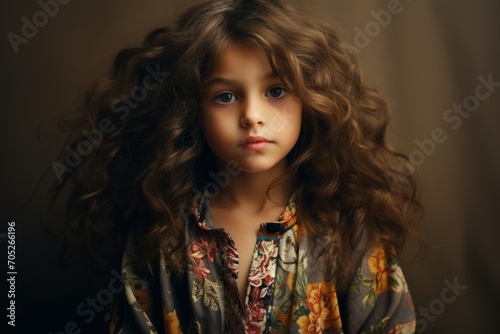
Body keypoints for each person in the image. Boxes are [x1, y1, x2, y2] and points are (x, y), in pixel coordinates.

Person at [53, 0, 422, 332]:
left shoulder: (349, 232)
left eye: (275, 91)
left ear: (310, 98)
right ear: (192, 110)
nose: (252, 116)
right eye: (225, 96)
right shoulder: (158, 235)